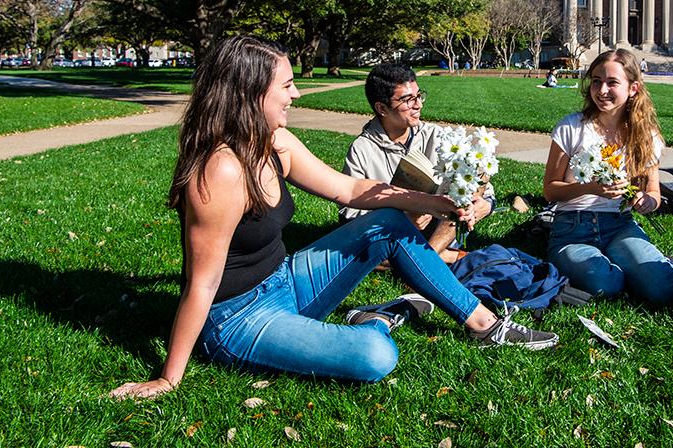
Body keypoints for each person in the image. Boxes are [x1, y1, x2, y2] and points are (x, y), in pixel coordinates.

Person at [109, 37, 556, 400]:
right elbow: (201, 284)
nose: (296, 93)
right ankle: (376, 321)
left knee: (388, 222)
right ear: (249, 91)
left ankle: (485, 324)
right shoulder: (221, 169)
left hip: (285, 281)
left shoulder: (274, 141)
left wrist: (434, 203)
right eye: (286, 85)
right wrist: (169, 378)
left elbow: (349, 189)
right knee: (376, 355)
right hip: (237, 319)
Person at [542, 49, 673, 304]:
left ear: (633, 88)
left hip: (620, 226)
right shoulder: (571, 127)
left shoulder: (646, 136)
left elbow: (653, 193)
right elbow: (550, 190)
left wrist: (647, 201)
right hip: (572, 227)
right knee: (605, 284)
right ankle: (626, 268)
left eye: (612, 82)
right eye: (596, 81)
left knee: (663, 287)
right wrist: (590, 188)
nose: (602, 90)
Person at [340, 63, 494, 263]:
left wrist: (485, 205)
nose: (418, 104)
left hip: (440, 226)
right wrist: (404, 218)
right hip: (395, 231)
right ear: (382, 108)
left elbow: (482, 188)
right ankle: (439, 258)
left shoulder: (436, 136)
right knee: (359, 251)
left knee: (468, 186)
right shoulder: (363, 149)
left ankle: (426, 260)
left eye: (418, 95)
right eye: (407, 100)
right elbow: (349, 216)